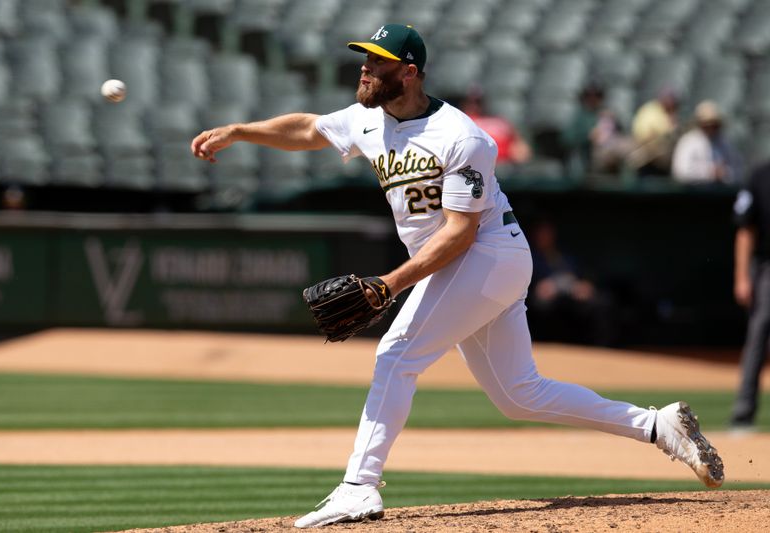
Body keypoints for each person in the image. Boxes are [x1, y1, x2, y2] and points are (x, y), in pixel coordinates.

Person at [190, 24, 725, 529]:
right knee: (519, 394)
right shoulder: (366, 119)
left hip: (489, 254)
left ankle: (360, 484)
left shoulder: (460, 136)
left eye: (377, 63)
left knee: (396, 353)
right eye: (364, 61)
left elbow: (460, 234)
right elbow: (308, 128)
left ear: (410, 72)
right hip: (467, 262)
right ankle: (659, 426)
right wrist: (239, 131)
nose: (364, 72)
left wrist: (389, 283)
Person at [528, 218, 617, 346]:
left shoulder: (564, 255)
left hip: (571, 294)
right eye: (541, 233)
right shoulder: (530, 256)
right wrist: (542, 287)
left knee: (602, 302)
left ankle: (600, 348)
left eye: (548, 233)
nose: (545, 236)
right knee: (545, 306)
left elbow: (581, 277)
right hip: (545, 300)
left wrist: (583, 285)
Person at [731, 160, 770, 428]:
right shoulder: (761, 175)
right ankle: (743, 413)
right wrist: (742, 276)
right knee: (759, 332)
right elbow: (745, 229)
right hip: (767, 266)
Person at [562, 82, 633, 178]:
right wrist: (588, 136)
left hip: (613, 153)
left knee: (630, 146)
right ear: (584, 98)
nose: (593, 98)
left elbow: (621, 133)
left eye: (597, 95)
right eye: (589, 96)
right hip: (590, 157)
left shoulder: (607, 114)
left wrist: (616, 123)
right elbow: (567, 139)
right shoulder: (579, 117)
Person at [672, 100, 741, 185]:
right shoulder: (688, 141)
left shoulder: (724, 143)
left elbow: (736, 169)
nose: (711, 128)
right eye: (707, 124)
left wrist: (724, 173)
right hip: (693, 194)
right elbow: (681, 172)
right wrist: (709, 173)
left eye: (714, 124)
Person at [459, 87, 531, 166]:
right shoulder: (462, 123)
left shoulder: (500, 121)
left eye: (478, 102)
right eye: (470, 102)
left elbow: (521, 149)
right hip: (478, 165)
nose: (474, 106)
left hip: (505, 165)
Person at [629, 88, 680, 176]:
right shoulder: (650, 110)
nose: (670, 102)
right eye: (668, 98)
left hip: (662, 157)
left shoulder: (671, 114)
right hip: (644, 153)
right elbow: (643, 135)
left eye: (672, 100)